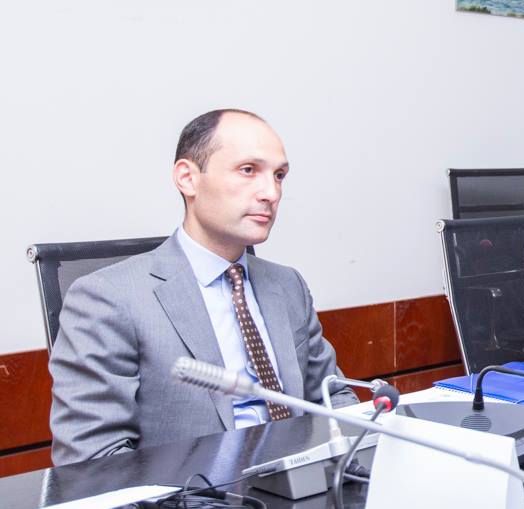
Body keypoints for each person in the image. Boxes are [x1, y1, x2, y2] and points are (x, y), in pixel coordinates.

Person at [48, 109, 357, 466]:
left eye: (279, 176)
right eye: (248, 170)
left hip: (304, 482)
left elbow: (334, 399)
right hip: (193, 489)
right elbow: (93, 461)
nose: (271, 193)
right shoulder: (107, 298)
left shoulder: (288, 286)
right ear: (188, 178)